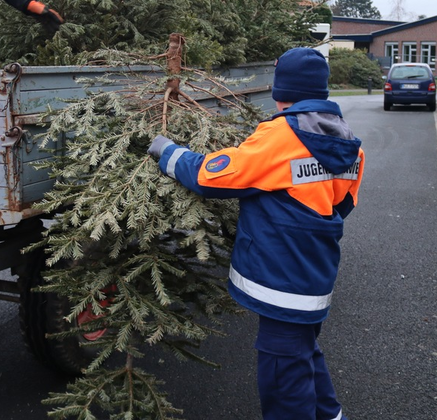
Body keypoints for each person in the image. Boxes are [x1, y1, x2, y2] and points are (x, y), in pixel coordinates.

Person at [148, 47, 365, 420]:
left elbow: (211, 175)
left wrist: (168, 152)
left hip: (280, 283)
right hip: (314, 277)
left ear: (280, 93)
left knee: (283, 380)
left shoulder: (280, 137)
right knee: (304, 355)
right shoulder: (348, 143)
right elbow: (342, 204)